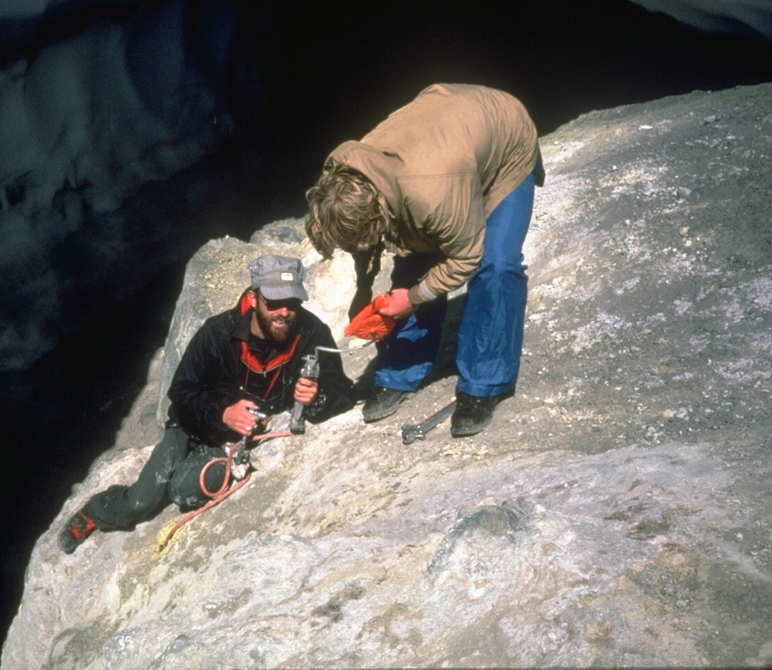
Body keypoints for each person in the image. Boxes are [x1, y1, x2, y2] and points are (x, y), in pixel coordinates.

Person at [58, 254, 354, 553]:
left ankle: (194, 466)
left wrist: (317, 395)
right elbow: (182, 392)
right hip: (192, 425)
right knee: (142, 501)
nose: (284, 312)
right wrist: (223, 413)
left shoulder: (312, 334)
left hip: (236, 441)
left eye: (291, 303)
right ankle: (96, 511)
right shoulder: (217, 334)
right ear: (253, 298)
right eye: (273, 302)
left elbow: (342, 389)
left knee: (183, 492)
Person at [305, 83, 545, 437]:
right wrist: (364, 287)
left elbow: (466, 256)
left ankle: (483, 384)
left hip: (504, 140)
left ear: (374, 214)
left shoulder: (432, 193)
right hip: (448, 134)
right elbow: (363, 241)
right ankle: (402, 372)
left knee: (496, 266)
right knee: (413, 252)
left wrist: (415, 297)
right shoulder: (343, 178)